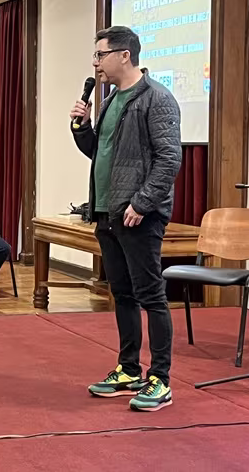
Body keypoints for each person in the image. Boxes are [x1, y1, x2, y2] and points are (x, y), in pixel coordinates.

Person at [70, 25, 181, 412]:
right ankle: (129, 368)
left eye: (100, 55)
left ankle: (160, 379)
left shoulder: (157, 99)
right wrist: (81, 127)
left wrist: (142, 203)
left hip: (139, 215)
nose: (96, 64)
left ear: (124, 55)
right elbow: (100, 153)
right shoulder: (110, 100)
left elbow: (169, 160)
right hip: (107, 211)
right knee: (122, 293)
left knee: (151, 295)